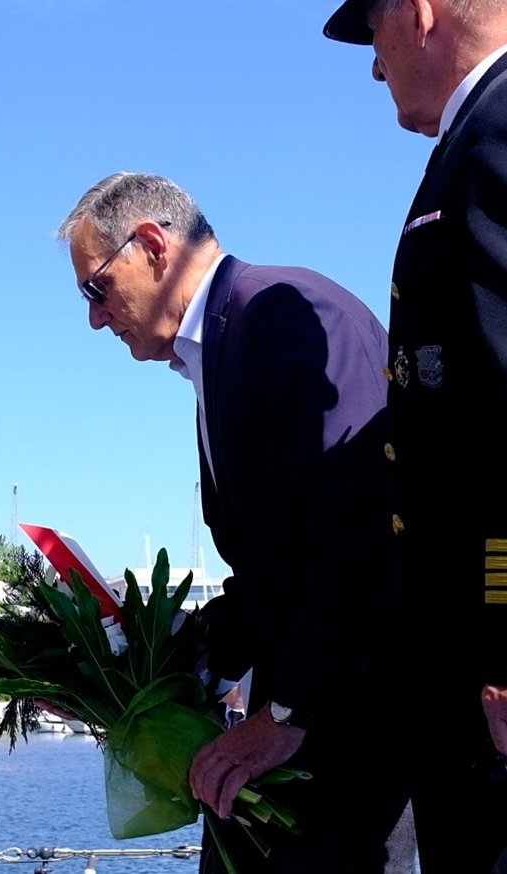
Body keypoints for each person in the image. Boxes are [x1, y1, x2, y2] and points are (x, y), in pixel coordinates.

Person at [58, 172, 408, 872]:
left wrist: (284, 718)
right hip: (295, 739)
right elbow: (274, 570)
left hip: (346, 738)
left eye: (94, 288)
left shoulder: (284, 314)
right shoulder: (223, 345)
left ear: (151, 244)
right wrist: (145, 659)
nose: (94, 318)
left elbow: (361, 540)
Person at [323, 2, 507, 871]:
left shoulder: (497, 131)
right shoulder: (474, 136)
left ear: (419, 13)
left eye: (371, 36)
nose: (371, 67)